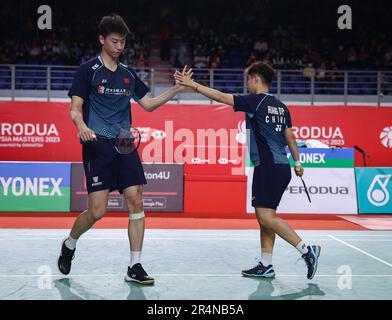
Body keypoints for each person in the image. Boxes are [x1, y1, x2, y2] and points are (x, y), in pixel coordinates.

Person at [58, 14, 191, 285]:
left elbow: (150, 104)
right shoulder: (88, 70)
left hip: (124, 143)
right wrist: (81, 126)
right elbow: (74, 108)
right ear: (102, 40)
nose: (120, 46)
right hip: (96, 142)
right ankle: (70, 243)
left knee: (136, 199)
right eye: (115, 41)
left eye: (123, 42)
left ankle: (135, 265)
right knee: (97, 211)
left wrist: (176, 88)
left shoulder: (128, 75)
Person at [174, 61, 321, 280]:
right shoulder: (281, 106)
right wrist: (298, 163)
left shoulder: (255, 102)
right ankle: (266, 264)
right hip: (282, 167)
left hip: (268, 167)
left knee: (266, 217)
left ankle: (307, 251)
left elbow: (221, 97)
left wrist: (193, 85)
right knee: (266, 217)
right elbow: (290, 137)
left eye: (248, 80)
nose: (247, 84)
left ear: (256, 79)